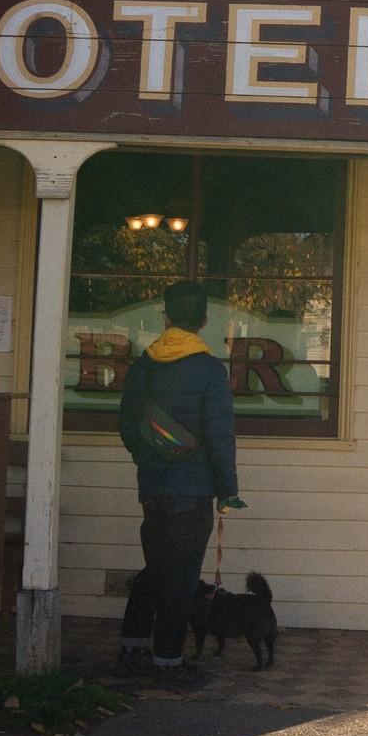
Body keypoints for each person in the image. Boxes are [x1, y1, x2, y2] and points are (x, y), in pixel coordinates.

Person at [114, 279, 246, 691]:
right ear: (204, 321)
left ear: (166, 317)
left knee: (155, 570)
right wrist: (227, 489)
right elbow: (220, 434)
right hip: (193, 491)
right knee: (181, 577)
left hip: (153, 487)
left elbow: (127, 425)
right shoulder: (209, 370)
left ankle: (131, 651)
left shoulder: (143, 366)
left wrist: (148, 459)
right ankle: (169, 663)